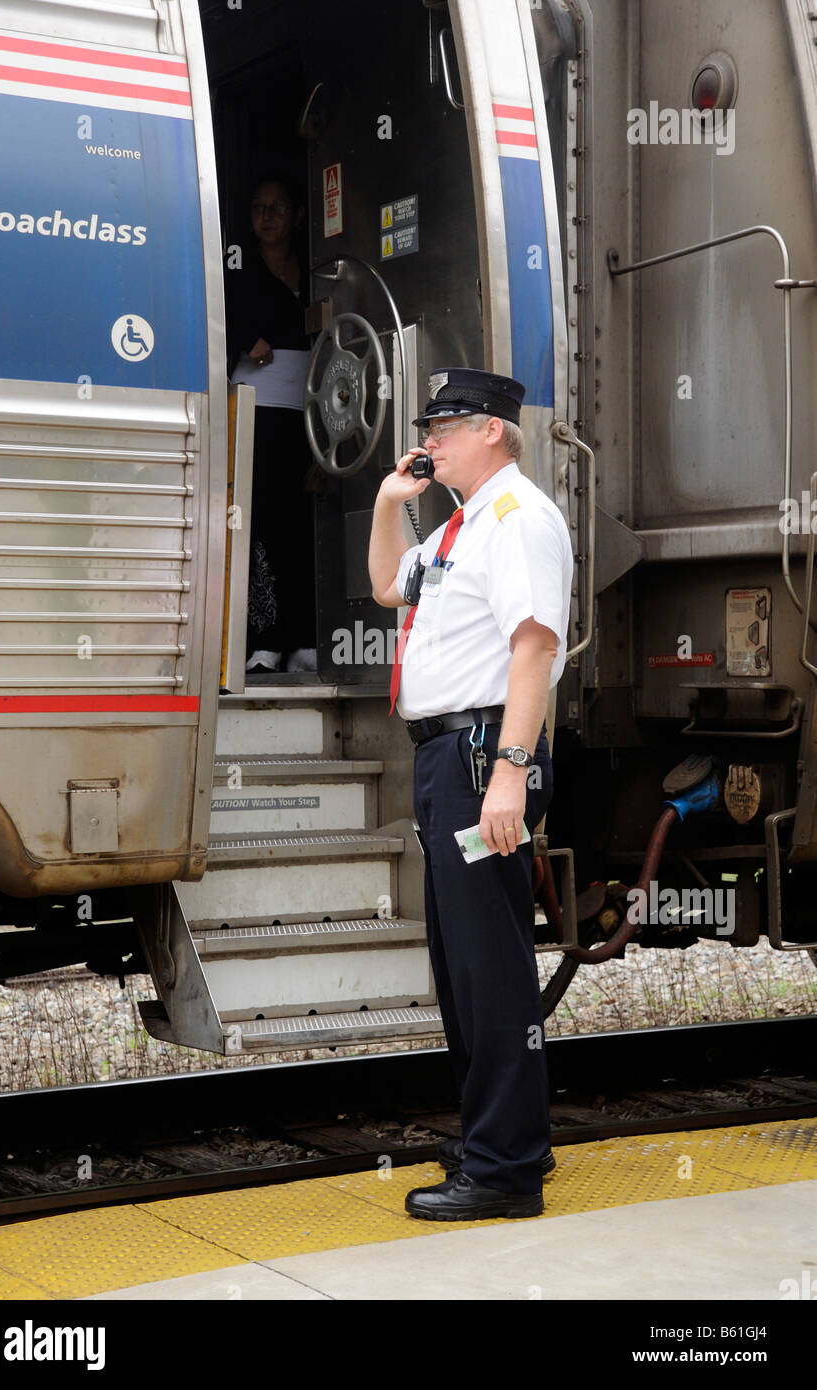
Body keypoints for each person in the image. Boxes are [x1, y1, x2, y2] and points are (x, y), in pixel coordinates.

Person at [368, 368, 573, 1220]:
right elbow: (388, 588)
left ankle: (505, 1171)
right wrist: (390, 502)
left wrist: (509, 775)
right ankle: (504, 1133)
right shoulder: (460, 529)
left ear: (492, 429)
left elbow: (532, 652)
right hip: (445, 756)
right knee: (462, 963)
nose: (430, 438)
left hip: (483, 754)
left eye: (444, 424)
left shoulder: (519, 520)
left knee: (488, 965)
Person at [225, 173, 318, 675]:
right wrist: (244, 337)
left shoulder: (318, 268)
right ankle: (264, 642)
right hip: (256, 411)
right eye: (258, 207)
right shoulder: (236, 267)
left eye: (277, 207)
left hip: (308, 415)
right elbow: (212, 312)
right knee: (258, 524)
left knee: (299, 526)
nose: (266, 217)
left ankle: (305, 640)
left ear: (297, 216)